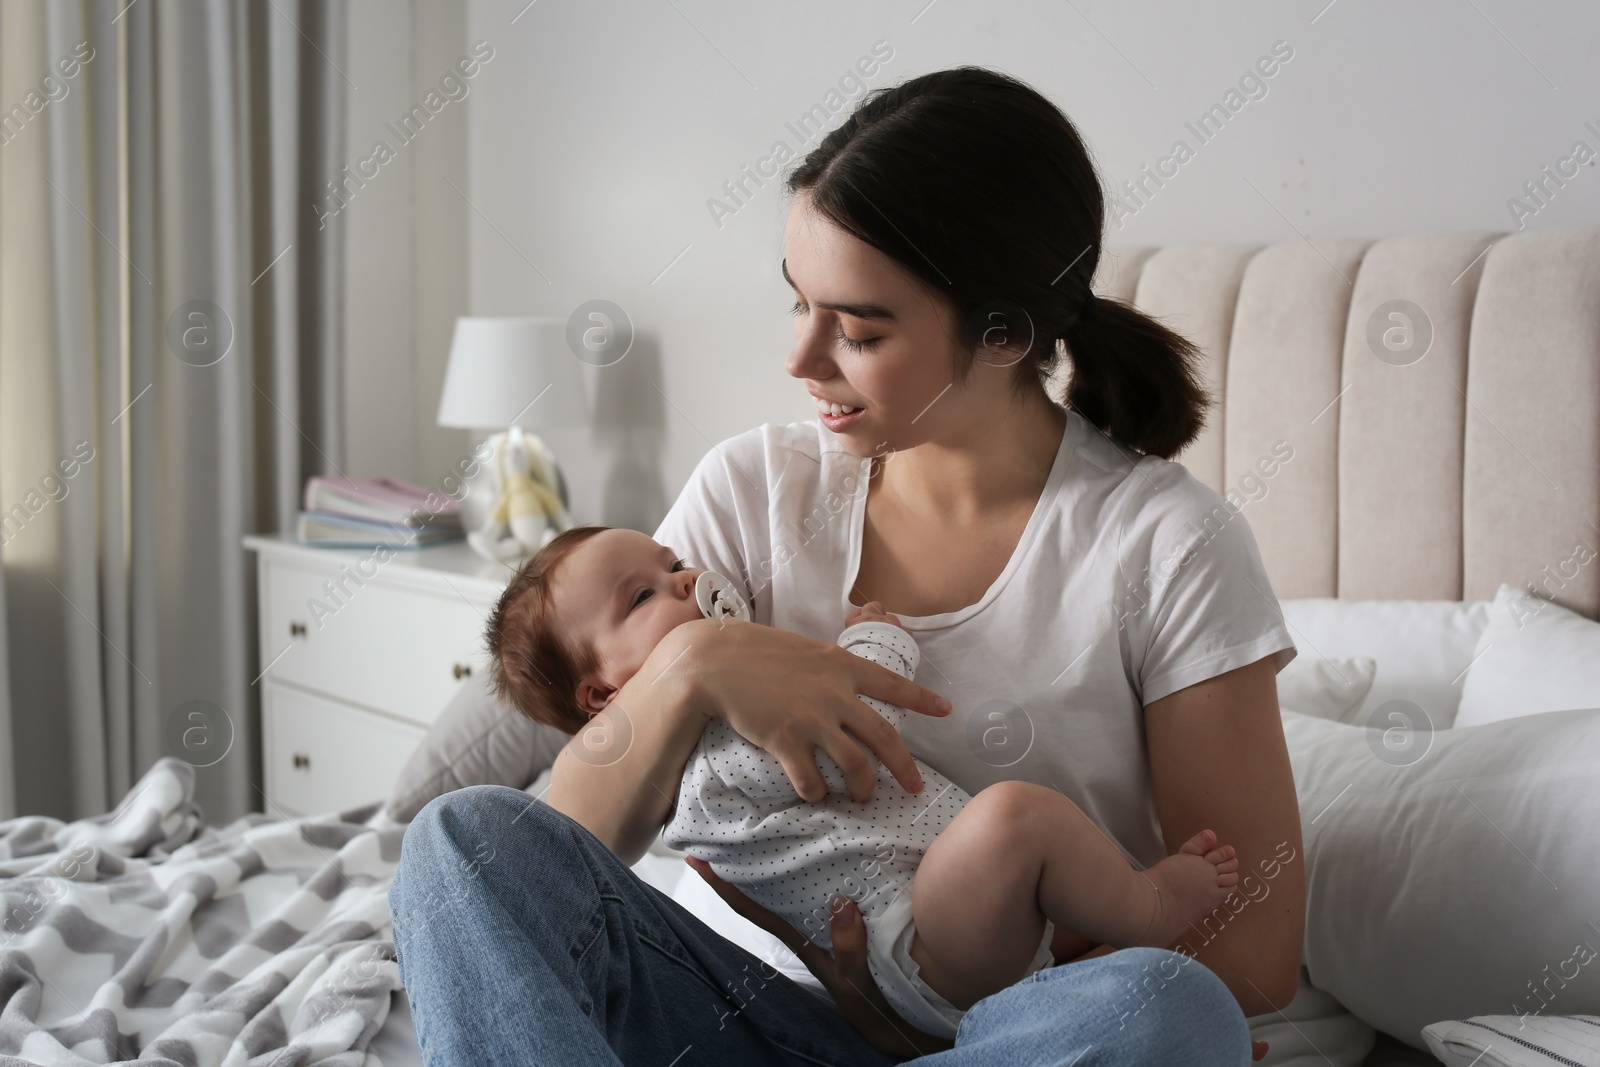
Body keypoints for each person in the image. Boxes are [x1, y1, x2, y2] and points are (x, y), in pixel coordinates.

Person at [391, 64, 1303, 1066]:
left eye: (859, 330)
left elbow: (1255, 956)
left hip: (1002, 1029)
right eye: (798, 305)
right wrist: (694, 669)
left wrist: (905, 1012)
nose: (801, 359)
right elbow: (567, 846)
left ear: (999, 333)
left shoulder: (1166, 544)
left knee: (1165, 1008)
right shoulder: (750, 489)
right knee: (462, 840)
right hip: (734, 1017)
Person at [476, 521, 1245, 1041]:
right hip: (911, 946)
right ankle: (1152, 905)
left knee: (1164, 1003)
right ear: (607, 696)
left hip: (947, 936)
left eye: (673, 564)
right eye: (644, 596)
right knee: (1013, 821)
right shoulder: (711, 764)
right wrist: (872, 642)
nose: (685, 582)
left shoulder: (721, 731)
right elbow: (852, 726)